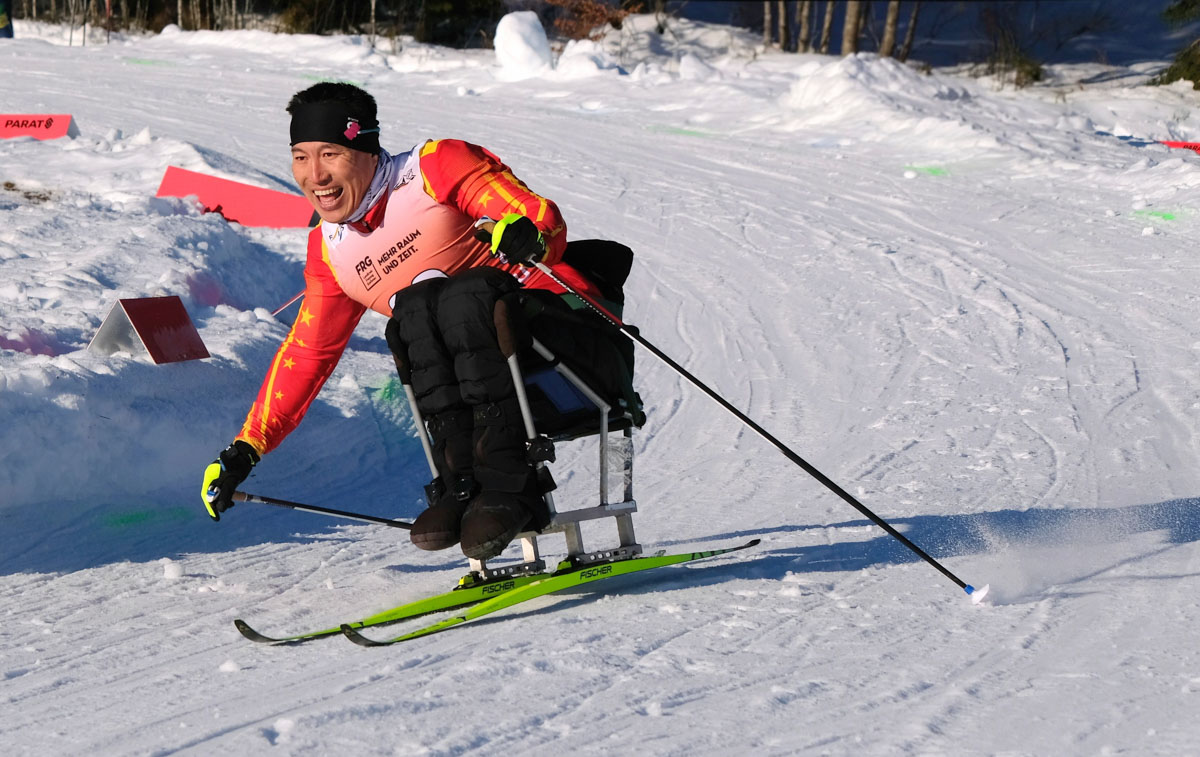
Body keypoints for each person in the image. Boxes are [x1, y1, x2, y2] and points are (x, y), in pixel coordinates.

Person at [202, 82, 635, 561]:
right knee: (411, 315)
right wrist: (245, 449)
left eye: (330, 154)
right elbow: (308, 354)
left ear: (365, 147)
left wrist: (525, 231)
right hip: (490, 389)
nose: (315, 175)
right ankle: (464, 487)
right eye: (300, 157)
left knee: (461, 296)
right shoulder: (330, 250)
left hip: (573, 357)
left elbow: (539, 216)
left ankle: (511, 487)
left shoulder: (434, 168)